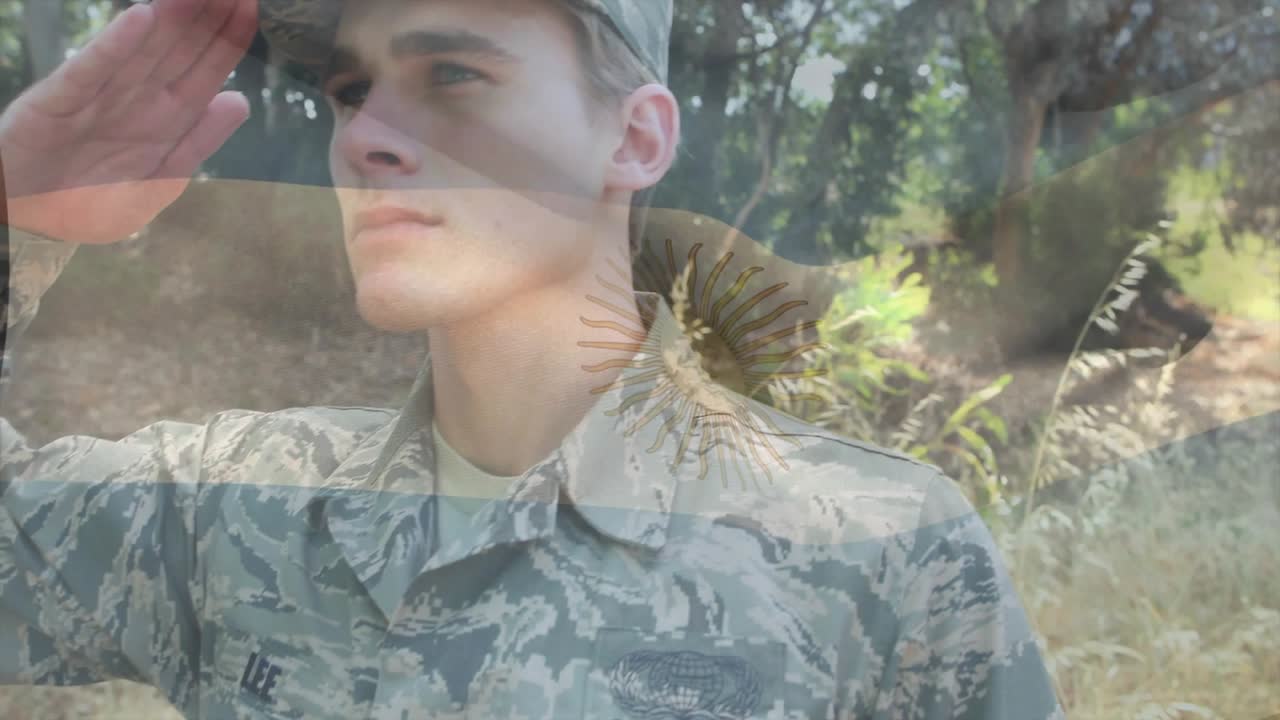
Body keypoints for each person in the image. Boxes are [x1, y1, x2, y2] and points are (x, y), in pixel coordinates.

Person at [0, 0, 1066, 717]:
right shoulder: (232, 507)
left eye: (454, 75)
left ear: (636, 141)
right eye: (350, 92)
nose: (364, 138)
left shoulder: (876, 554)